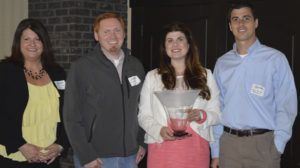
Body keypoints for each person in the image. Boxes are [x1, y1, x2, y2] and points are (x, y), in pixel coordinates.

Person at [210, 1, 298, 168]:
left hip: (264, 146)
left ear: (256, 22)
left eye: (246, 18)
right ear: (230, 26)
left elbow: (287, 105)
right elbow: (216, 108)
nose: (241, 23)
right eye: (235, 19)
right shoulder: (222, 63)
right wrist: (216, 151)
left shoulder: (275, 59)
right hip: (228, 146)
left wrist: (278, 145)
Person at [63, 13, 146, 168]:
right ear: (96, 35)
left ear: (124, 33)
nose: (112, 36)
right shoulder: (82, 67)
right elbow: (71, 116)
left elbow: (143, 108)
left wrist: (142, 142)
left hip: (131, 156)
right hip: (97, 158)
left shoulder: (136, 66)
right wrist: (86, 155)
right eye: (106, 31)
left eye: (117, 30)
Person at [138, 22, 221, 168]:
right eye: (170, 40)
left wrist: (201, 115)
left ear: (189, 45)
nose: (175, 44)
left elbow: (217, 115)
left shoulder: (206, 75)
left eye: (180, 39)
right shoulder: (152, 77)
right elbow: (143, 115)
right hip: (161, 148)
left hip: (196, 149)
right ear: (165, 48)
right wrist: (158, 130)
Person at [0, 18, 69, 168]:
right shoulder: (5, 71)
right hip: (14, 158)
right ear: (18, 43)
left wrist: (60, 145)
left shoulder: (57, 73)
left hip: (50, 158)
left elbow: (68, 112)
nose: (32, 44)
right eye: (27, 39)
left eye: (37, 39)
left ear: (44, 43)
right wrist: (21, 145)